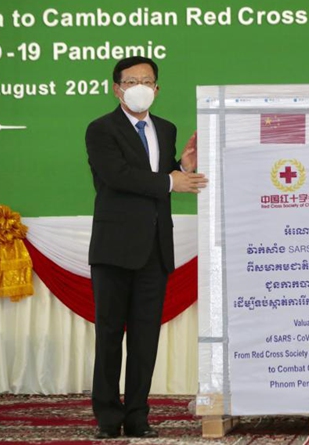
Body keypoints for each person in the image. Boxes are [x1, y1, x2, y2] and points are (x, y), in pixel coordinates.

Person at [85, 56, 207, 439]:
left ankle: (138, 415)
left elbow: (162, 174)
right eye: (131, 81)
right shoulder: (101, 130)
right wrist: (171, 181)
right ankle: (108, 417)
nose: (140, 87)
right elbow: (117, 176)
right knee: (109, 335)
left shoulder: (166, 129)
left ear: (157, 88)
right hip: (114, 249)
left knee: (145, 338)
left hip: (155, 250)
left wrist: (184, 167)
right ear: (116, 88)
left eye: (147, 80)